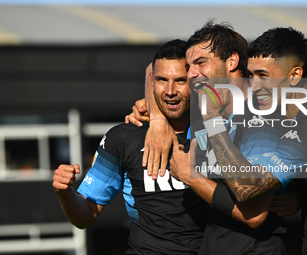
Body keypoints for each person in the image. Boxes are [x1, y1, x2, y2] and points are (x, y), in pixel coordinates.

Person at [127, 21, 300, 254]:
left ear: (232, 61)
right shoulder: (209, 104)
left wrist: (192, 177)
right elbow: (152, 69)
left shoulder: (260, 118)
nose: (190, 74)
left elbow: (254, 213)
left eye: (200, 63)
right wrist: (158, 120)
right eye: (189, 66)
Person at [190, 27, 307, 255]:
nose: (255, 85)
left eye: (263, 76)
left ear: (294, 76)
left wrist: (211, 120)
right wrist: (299, 191)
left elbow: (248, 189)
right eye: (251, 75)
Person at [52, 39, 209, 254]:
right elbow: (87, 214)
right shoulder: (123, 138)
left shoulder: (216, 132)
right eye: (162, 80)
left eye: (180, 81)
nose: (170, 90)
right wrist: (65, 193)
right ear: (152, 82)